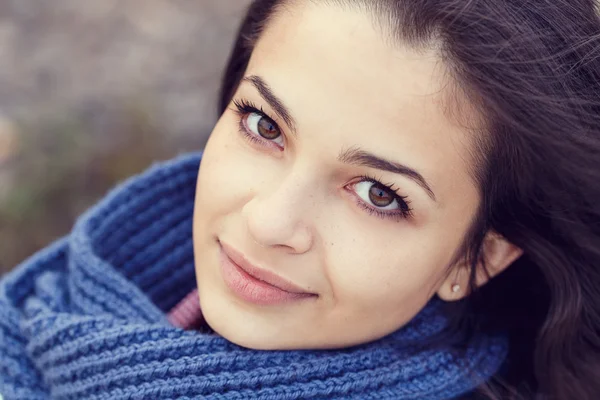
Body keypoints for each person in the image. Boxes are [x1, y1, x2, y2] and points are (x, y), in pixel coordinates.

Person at [1, 0, 599, 398]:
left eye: (376, 194)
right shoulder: (60, 309)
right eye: (264, 126)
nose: (268, 221)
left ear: (483, 257)